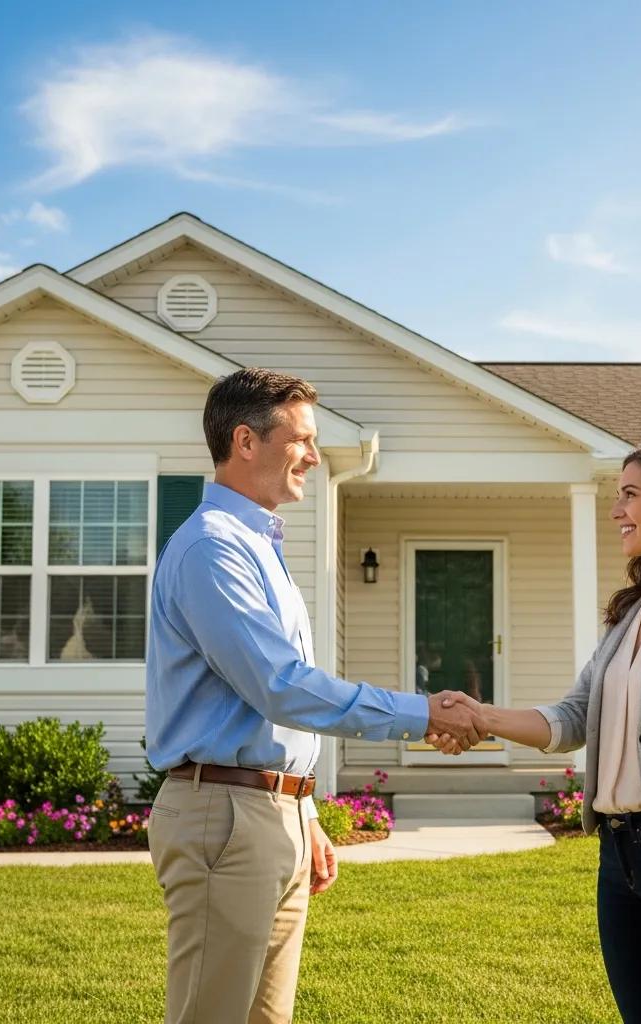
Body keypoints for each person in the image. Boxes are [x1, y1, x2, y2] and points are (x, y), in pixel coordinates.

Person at [146, 368, 482, 1024]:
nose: (314, 456)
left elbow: (269, 702)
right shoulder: (212, 551)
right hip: (226, 818)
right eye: (301, 439)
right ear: (246, 441)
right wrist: (420, 712)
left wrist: (302, 813)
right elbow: (280, 686)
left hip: (267, 814)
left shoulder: (256, 546)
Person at [431, 442, 641, 1024]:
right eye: (618, 496)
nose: (617, 510)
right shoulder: (630, 613)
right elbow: (573, 717)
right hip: (619, 861)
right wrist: (479, 715)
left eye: (631, 495)